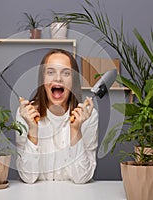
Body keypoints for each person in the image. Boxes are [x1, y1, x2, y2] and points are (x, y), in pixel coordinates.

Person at [16, 49, 98, 184]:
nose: (58, 78)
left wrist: (76, 130)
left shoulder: (89, 116)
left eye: (66, 73)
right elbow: (28, 177)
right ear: (42, 79)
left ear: (74, 81)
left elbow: (81, 178)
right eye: (50, 72)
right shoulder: (25, 114)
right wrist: (32, 130)